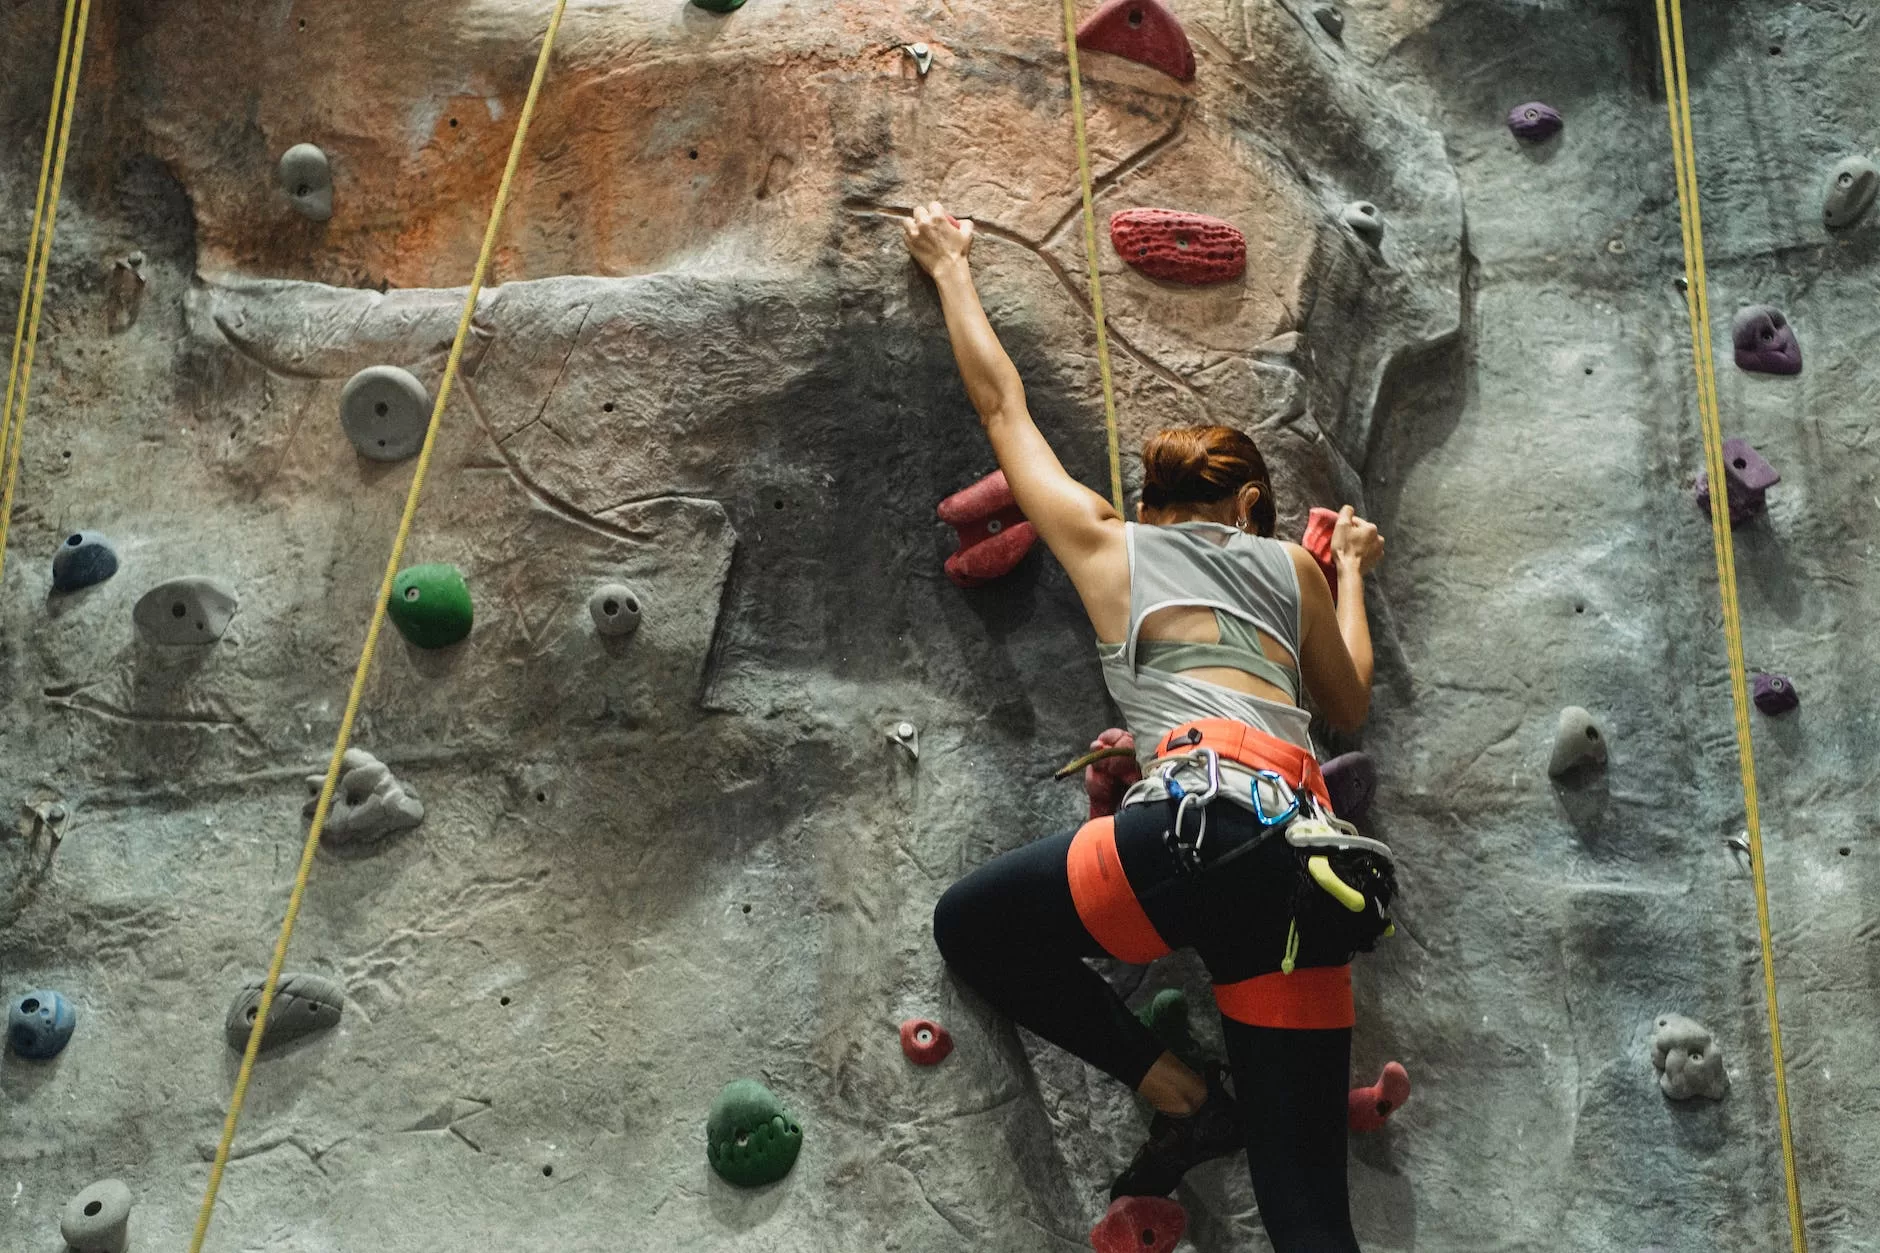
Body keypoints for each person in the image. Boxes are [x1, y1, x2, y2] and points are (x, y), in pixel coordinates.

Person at [906, 202, 1390, 1253]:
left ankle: (1173, 1086)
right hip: (1309, 874)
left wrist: (948, 265)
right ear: (1253, 504)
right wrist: (1347, 568)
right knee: (1309, 1212)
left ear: (1153, 501)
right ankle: (1198, 1100)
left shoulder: (1108, 544)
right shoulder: (1291, 567)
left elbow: (1002, 407)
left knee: (974, 924)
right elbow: (1346, 698)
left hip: (1188, 829)